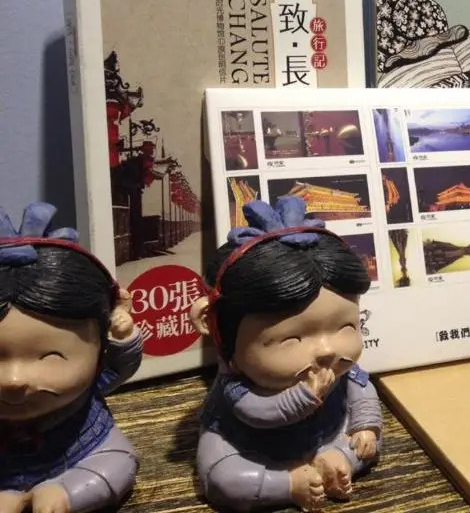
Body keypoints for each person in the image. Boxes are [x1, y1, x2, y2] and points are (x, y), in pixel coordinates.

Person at [189, 196, 381, 512]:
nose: (326, 350)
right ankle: (289, 483)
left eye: (346, 326)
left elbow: (362, 391)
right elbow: (257, 413)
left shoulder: (339, 369)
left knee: (365, 444)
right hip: (248, 448)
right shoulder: (238, 387)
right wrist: (306, 396)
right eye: (292, 339)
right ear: (213, 325)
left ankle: (337, 461)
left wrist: (366, 425)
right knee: (224, 479)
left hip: (329, 434)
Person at [0, 202, 142, 513]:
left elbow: (120, 368)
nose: (13, 380)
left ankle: (63, 493)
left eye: (50, 356)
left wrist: (122, 338)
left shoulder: (88, 388)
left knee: (115, 464)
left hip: (82, 450)